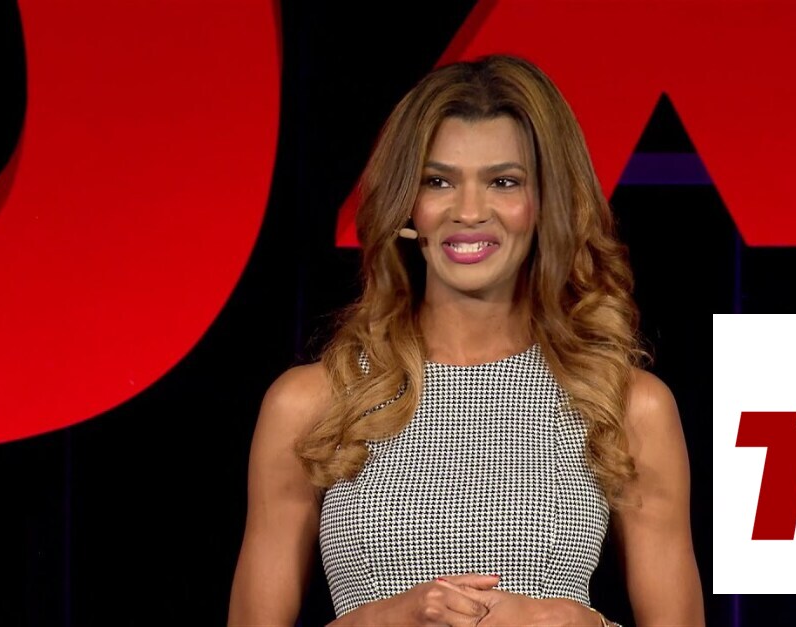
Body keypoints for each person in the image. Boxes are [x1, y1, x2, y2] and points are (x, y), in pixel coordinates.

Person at [228, 54, 704, 626]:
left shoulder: (626, 406)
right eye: (439, 182)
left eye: (504, 182)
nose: (470, 211)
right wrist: (382, 620)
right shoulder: (312, 403)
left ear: (547, 203)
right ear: (408, 204)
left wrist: (580, 624)